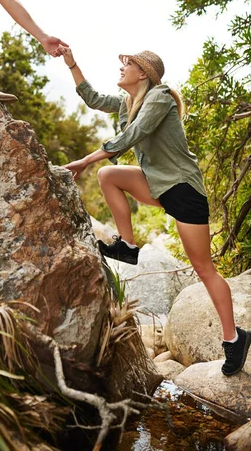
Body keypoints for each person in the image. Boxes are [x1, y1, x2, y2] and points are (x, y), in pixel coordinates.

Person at [61, 47, 251, 377]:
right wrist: (72, 62)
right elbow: (92, 98)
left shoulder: (160, 97)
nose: (122, 68)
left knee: (204, 269)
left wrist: (86, 159)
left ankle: (234, 338)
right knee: (108, 176)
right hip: (156, 185)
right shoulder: (126, 103)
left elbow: (132, 135)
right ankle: (129, 246)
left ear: (144, 74)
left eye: (128, 64)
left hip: (183, 190)